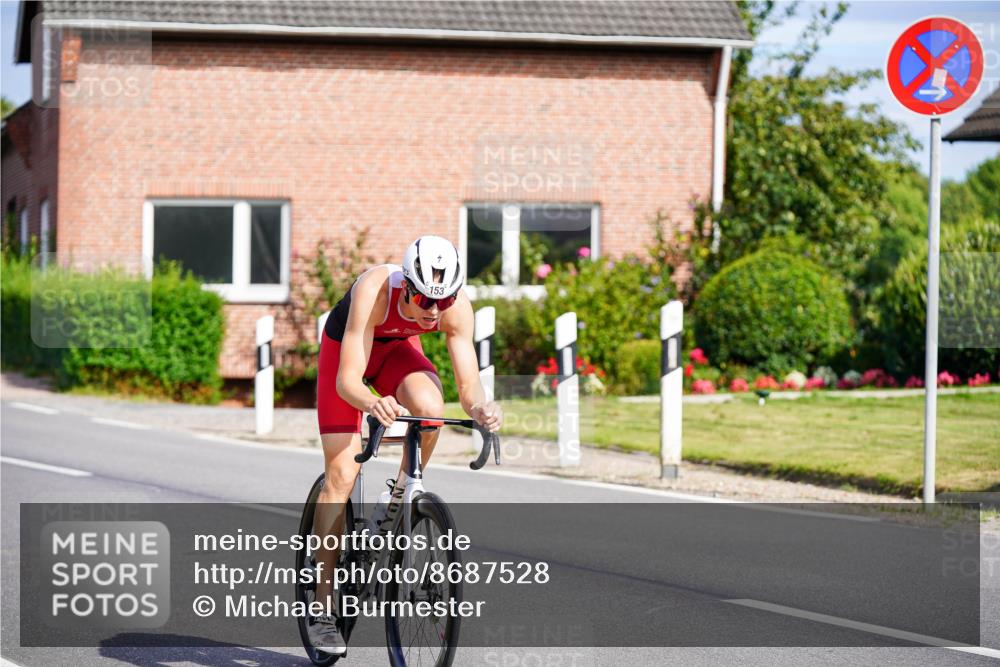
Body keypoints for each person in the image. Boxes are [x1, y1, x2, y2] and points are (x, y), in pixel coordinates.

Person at [309, 235, 502, 654]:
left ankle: (399, 494)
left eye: (444, 301)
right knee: (342, 474)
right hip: (347, 355)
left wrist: (482, 409)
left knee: (431, 407)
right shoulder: (376, 290)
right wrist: (374, 404)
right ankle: (323, 606)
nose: (435, 311)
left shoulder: (455, 308)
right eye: (426, 301)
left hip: (396, 351)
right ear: (409, 287)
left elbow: (468, 386)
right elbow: (348, 381)